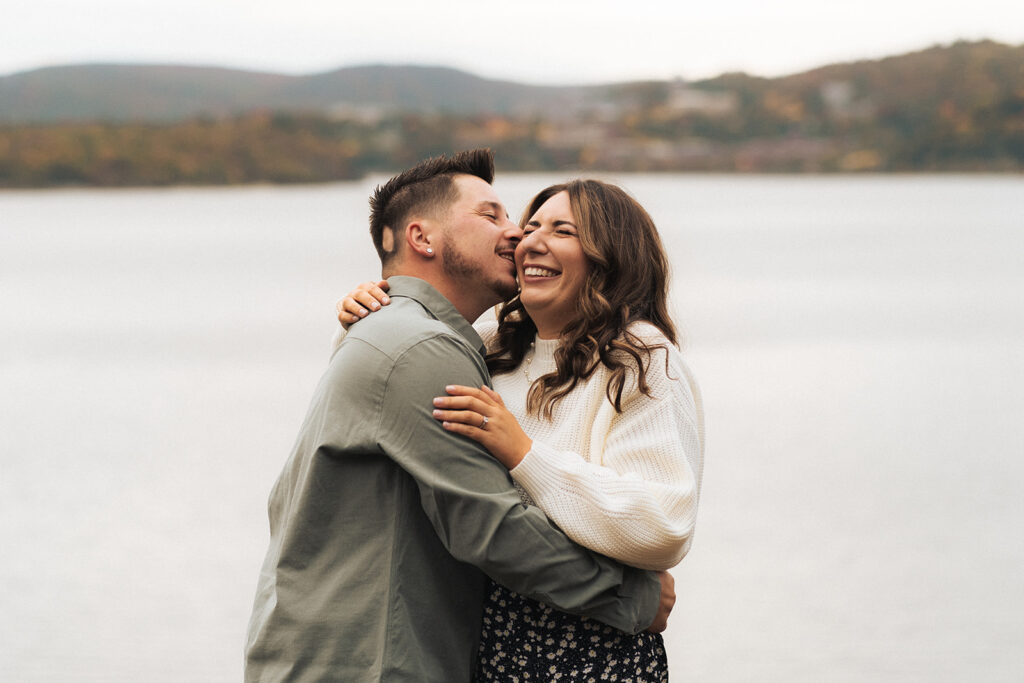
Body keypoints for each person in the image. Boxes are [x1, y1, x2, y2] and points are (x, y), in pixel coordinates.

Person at [244, 150, 673, 683]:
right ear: (424, 239)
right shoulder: (421, 347)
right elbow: (490, 527)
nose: (516, 234)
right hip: (370, 663)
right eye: (492, 216)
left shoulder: (408, 334)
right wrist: (634, 596)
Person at [337, 178, 704, 681]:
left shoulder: (642, 360)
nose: (530, 240)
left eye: (562, 230)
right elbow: (388, 391)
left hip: (594, 651)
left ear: (610, 257)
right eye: (529, 226)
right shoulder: (488, 345)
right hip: (479, 644)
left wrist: (525, 455)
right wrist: (373, 308)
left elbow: (662, 528)